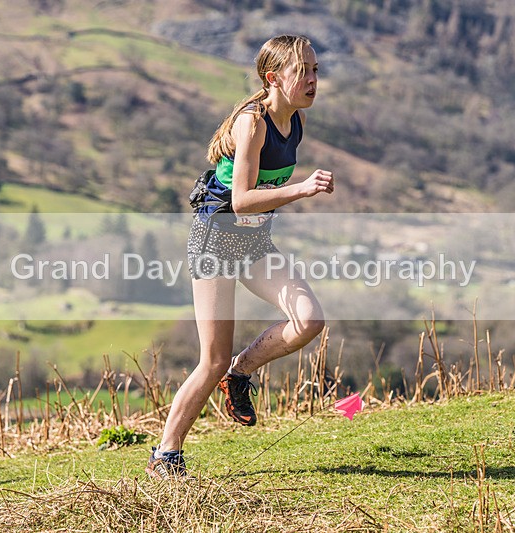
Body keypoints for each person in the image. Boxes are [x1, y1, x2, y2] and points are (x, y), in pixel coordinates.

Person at [146, 34, 334, 478]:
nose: (311, 80)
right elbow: (243, 199)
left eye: (315, 71)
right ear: (274, 77)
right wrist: (302, 188)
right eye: (301, 71)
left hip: (252, 244)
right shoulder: (253, 123)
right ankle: (165, 455)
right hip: (216, 241)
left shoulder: (294, 122)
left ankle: (242, 371)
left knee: (310, 320)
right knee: (210, 358)